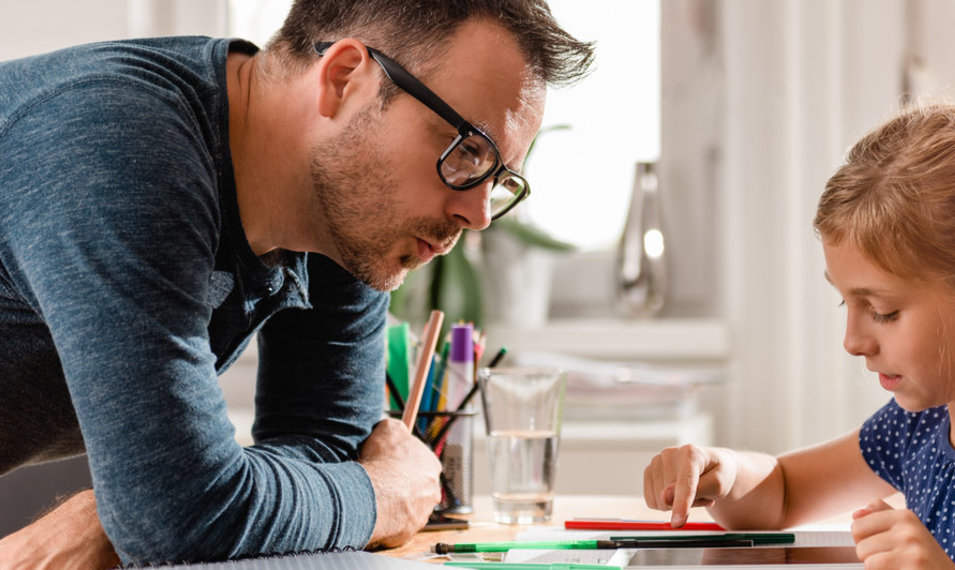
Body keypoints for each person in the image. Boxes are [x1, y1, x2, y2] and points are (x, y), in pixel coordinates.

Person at [0, 0, 592, 566]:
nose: (479, 214)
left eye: (500, 179)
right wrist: (386, 492)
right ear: (344, 79)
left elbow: (325, 449)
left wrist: (131, 513)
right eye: (466, 153)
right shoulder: (118, 145)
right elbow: (181, 515)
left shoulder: (343, 213)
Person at [643, 103, 955, 569]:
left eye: (883, 311)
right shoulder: (927, 421)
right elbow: (781, 494)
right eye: (846, 302)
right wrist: (723, 471)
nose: (853, 340)